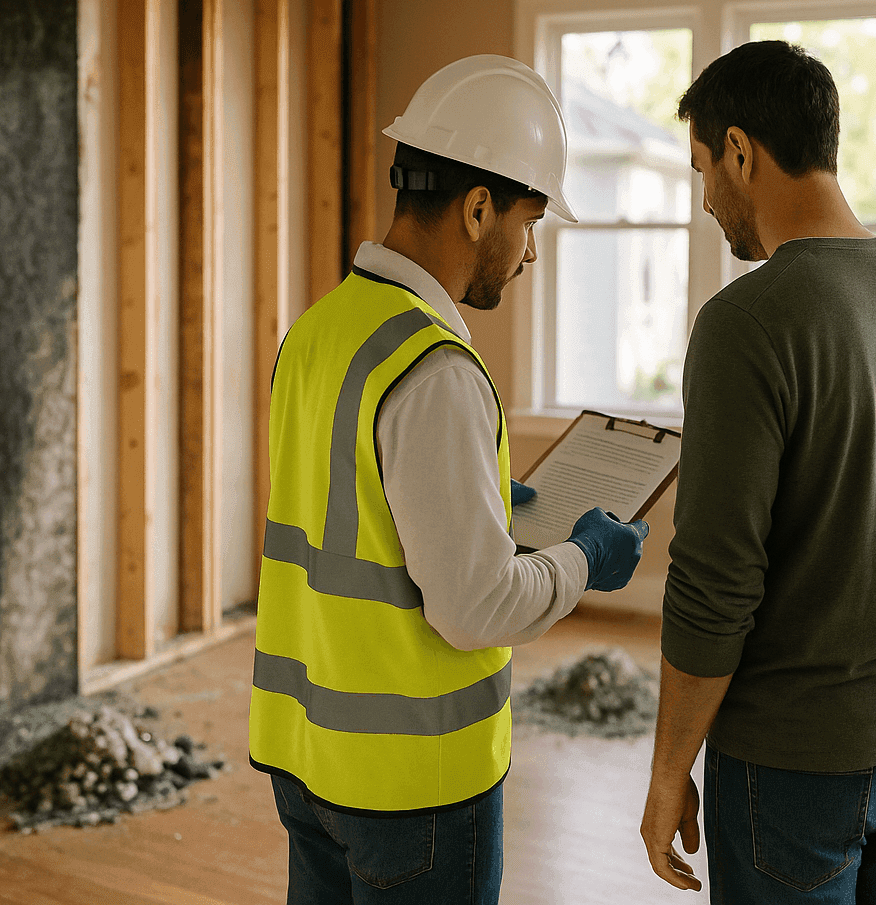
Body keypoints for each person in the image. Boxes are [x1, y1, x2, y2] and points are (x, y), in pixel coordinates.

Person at [250, 53, 651, 905]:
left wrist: (471, 505)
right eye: (529, 222)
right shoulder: (436, 368)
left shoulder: (320, 330)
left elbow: (347, 506)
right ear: (477, 209)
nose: (530, 253)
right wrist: (585, 558)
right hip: (414, 789)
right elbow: (475, 609)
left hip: (308, 758)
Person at [638, 40, 876, 904]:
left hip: (793, 769)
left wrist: (668, 770)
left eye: (702, 171)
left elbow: (715, 585)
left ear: (741, 152)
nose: (709, 202)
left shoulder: (744, 323)